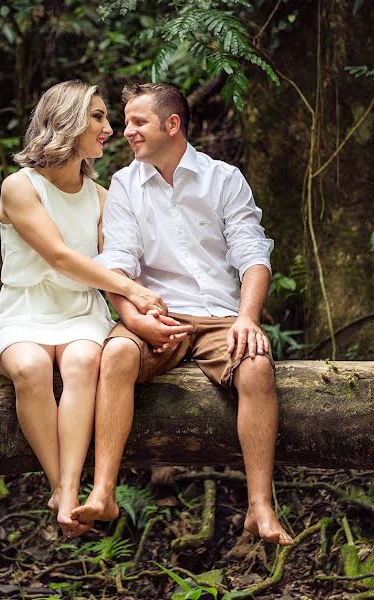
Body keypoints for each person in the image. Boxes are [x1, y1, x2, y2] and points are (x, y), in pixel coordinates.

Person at [72, 83, 294, 545]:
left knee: (255, 369)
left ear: (172, 125)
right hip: (156, 313)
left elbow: (253, 254)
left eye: (138, 122)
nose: (125, 132)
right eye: (126, 122)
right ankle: (104, 491)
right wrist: (133, 321)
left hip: (219, 315)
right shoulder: (126, 184)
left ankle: (259, 507)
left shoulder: (223, 179)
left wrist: (247, 318)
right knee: (114, 357)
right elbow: (116, 264)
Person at [0, 80, 168, 538]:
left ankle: (69, 489)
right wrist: (131, 288)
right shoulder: (19, 187)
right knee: (29, 367)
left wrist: (143, 311)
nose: (110, 128)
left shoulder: (101, 198)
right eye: (98, 117)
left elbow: (114, 269)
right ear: (66, 122)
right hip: (25, 310)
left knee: (85, 360)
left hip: (80, 312)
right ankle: (62, 489)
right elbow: (61, 257)